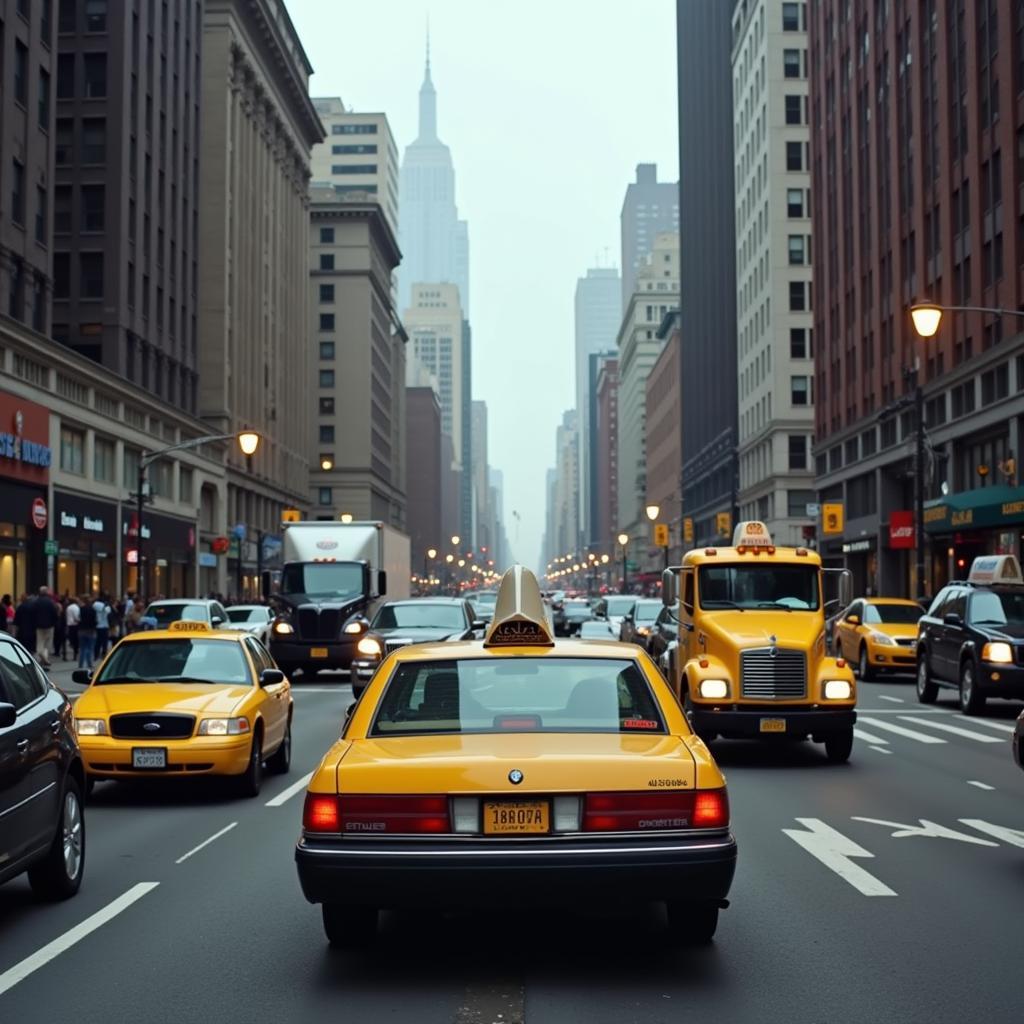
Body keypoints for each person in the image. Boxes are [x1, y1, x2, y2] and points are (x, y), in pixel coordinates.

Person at [32, 586, 61, 668]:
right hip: (50, 626)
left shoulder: (36, 602)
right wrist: (55, 623)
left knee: (40, 643)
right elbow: (55, 614)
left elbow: (33, 614)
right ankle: (45, 659)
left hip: (39, 626)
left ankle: (43, 658)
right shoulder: (51, 602)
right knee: (47, 644)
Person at [78, 596, 97, 671]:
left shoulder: (81, 609)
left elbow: (79, 618)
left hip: (82, 630)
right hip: (90, 630)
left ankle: (81, 664)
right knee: (89, 647)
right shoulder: (93, 610)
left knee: (82, 647)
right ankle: (89, 663)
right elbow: (95, 620)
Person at [94, 592, 110, 658]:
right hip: (103, 625)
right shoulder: (103, 605)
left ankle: (97, 654)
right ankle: (102, 654)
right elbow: (108, 611)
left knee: (99, 641)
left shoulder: (95, 604)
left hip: (100, 625)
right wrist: (106, 605)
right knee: (103, 642)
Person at [65, 595, 81, 661]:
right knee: (76, 640)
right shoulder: (76, 608)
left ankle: (74, 651)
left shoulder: (68, 607)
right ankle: (76, 653)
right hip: (75, 625)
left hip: (70, 624)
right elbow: (76, 617)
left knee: (72, 639)